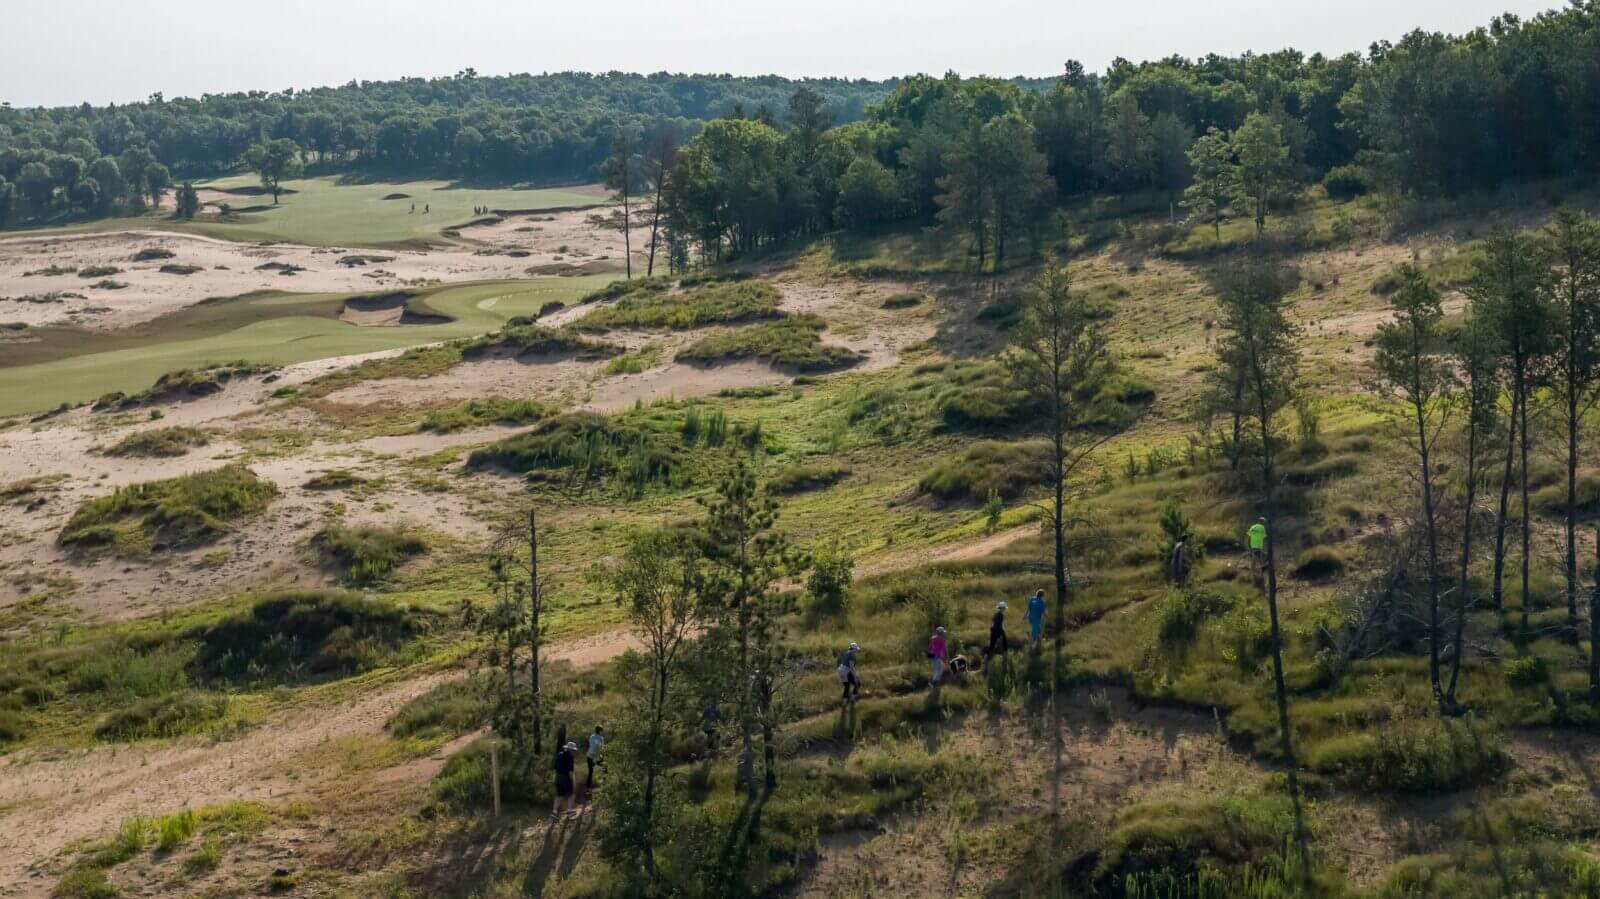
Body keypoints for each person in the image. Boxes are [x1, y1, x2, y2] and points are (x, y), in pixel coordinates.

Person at [552, 741, 578, 820]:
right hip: (565, 777)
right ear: (571, 750)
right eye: (573, 750)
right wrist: (573, 781)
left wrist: (555, 778)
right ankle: (569, 812)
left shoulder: (559, 755)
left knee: (559, 795)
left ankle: (554, 812)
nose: (574, 752)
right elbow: (570, 771)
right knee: (571, 794)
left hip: (558, 777)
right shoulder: (570, 757)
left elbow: (555, 768)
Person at [585, 725, 604, 791]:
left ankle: (587, 788)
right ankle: (604, 784)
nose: (602, 732)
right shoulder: (601, 738)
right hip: (596, 756)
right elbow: (601, 748)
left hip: (589, 756)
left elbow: (592, 746)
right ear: (599, 731)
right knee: (604, 768)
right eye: (602, 731)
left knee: (590, 772)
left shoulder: (591, 736)